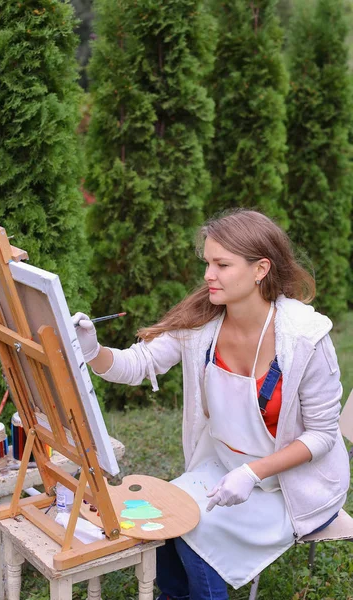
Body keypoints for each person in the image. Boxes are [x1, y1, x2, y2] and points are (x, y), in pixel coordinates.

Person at [72, 209, 350, 600]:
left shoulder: (306, 338)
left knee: (196, 530)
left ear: (261, 269)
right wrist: (93, 350)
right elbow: (140, 364)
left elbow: (322, 435)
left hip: (295, 487)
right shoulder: (203, 322)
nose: (208, 275)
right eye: (207, 262)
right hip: (226, 467)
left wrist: (252, 474)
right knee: (163, 519)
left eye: (222, 264)